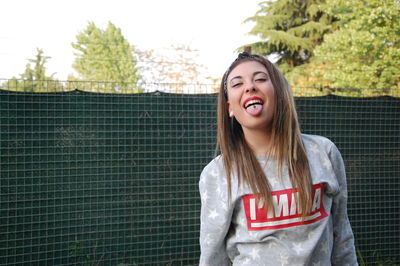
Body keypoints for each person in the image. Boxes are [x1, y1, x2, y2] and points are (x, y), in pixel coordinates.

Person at [199, 52, 358, 265]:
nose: (250, 87)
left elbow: (341, 233)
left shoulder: (324, 153)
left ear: (279, 93)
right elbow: (212, 255)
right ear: (229, 108)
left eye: (261, 79)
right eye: (237, 84)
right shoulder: (218, 173)